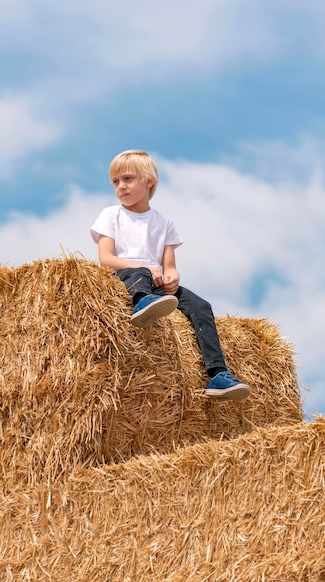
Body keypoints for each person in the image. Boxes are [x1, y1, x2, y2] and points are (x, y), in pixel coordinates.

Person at [90, 149, 250, 401]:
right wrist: (144, 268)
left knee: (200, 306)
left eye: (127, 179)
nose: (121, 186)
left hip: (156, 285)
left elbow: (169, 266)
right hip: (122, 281)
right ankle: (142, 303)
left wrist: (171, 277)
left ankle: (218, 374)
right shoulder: (111, 215)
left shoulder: (164, 223)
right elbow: (106, 259)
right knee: (140, 271)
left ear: (148, 181)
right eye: (116, 182)